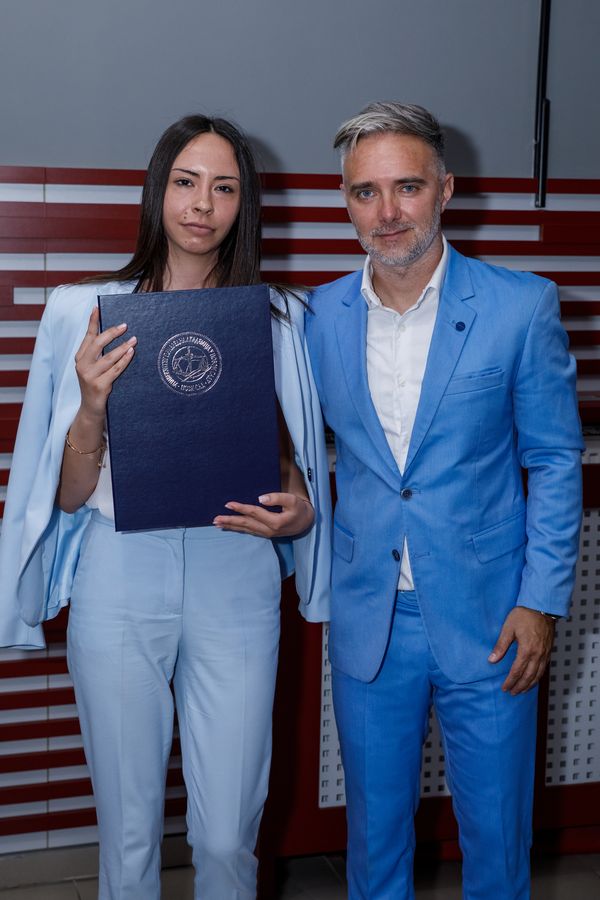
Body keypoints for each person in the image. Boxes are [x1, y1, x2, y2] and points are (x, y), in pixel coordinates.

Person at [0, 114, 331, 899]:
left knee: (226, 838)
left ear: (244, 205)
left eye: (224, 187)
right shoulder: (82, 311)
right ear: (157, 191)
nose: (201, 204)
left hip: (236, 569)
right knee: (129, 832)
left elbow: (290, 466)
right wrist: (91, 403)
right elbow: (67, 493)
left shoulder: (277, 318)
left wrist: (299, 512)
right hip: (121, 568)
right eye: (185, 181)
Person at [305, 101, 583, 899]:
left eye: (408, 187)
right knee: (374, 844)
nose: (387, 213)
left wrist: (541, 601)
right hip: (370, 620)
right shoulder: (315, 316)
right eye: (366, 192)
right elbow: (292, 451)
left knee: (496, 842)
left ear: (446, 188)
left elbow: (554, 459)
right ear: (346, 201)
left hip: (492, 618)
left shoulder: (520, 305)